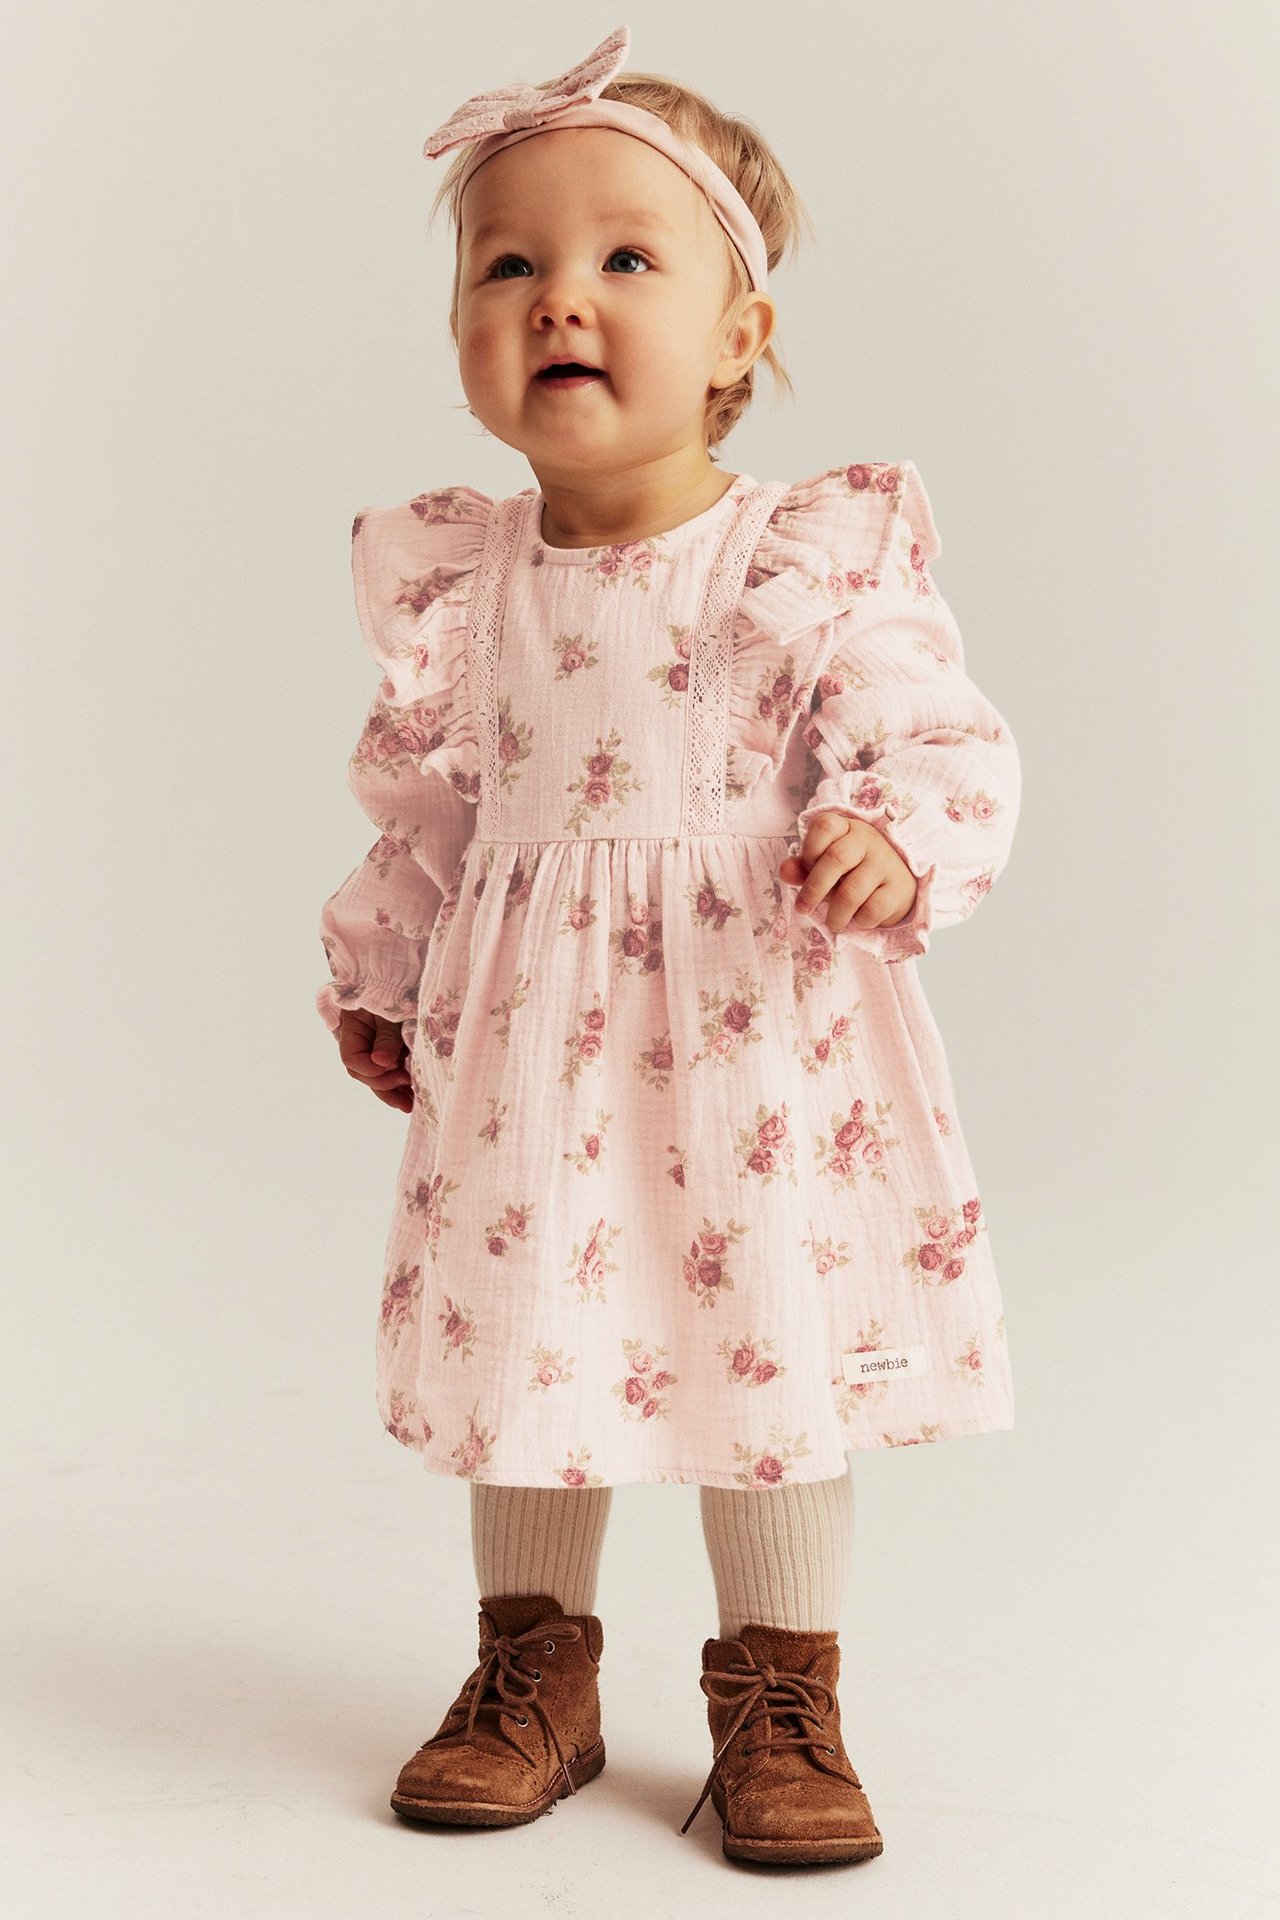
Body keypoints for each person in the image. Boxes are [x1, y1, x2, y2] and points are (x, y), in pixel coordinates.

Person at [315, 23, 1021, 1868]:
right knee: (525, 1324)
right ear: (463, 329)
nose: (563, 298)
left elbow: (940, 730)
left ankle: (783, 1689)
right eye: (510, 264)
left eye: (630, 258)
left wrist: (893, 831)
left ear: (738, 339)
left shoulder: (801, 556)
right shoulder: (469, 590)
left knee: (757, 1331)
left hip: (752, 1045)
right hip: (527, 1049)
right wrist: (383, 974)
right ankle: (530, 1671)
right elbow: (432, 816)